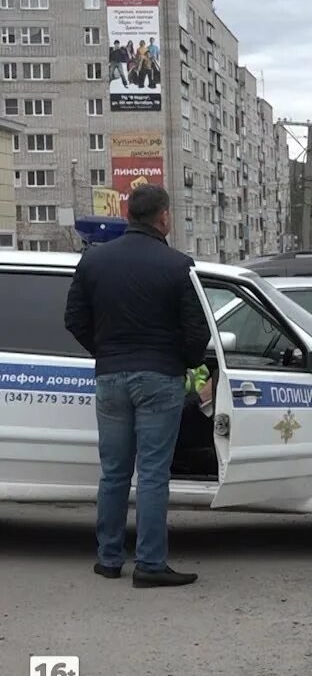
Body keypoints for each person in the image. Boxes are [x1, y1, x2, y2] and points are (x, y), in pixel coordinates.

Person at [64, 184, 211, 588]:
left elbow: (74, 319)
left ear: (129, 214)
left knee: (113, 472)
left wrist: (107, 352)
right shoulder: (178, 265)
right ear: (163, 217)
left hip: (110, 376)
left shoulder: (94, 261)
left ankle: (109, 559)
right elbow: (196, 332)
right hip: (159, 378)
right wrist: (184, 363)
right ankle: (149, 564)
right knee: (152, 474)